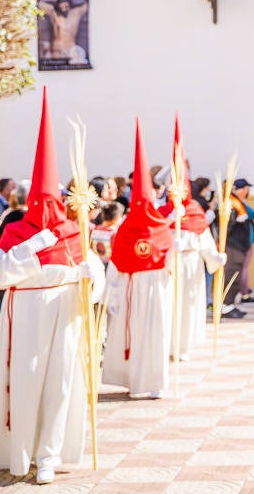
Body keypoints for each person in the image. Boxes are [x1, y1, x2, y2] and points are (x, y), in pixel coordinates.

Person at [0, 90, 105, 484]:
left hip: (66, 312)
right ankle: (20, 453)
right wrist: (32, 247)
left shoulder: (76, 230)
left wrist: (91, 274)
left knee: (61, 383)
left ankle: (50, 455)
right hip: (27, 313)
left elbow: (96, 280)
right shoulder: (15, 230)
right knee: (25, 382)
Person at [103, 120, 174, 399]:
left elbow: (167, 262)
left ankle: (150, 382)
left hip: (148, 290)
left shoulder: (155, 229)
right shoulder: (137, 230)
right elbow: (119, 264)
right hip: (140, 290)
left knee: (150, 335)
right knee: (139, 335)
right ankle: (138, 382)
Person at [159, 122, 226, 362]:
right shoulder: (161, 211)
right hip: (168, 266)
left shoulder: (195, 209)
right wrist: (167, 225)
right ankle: (167, 346)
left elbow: (203, 236)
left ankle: (184, 347)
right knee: (169, 306)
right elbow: (153, 235)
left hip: (192, 265)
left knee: (188, 305)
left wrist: (214, 257)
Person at [223, 179, 254, 310]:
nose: (247, 192)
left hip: (241, 244)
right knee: (237, 271)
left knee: (240, 269)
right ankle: (236, 299)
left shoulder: (238, 202)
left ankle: (233, 301)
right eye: (246, 189)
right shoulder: (232, 203)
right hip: (235, 245)